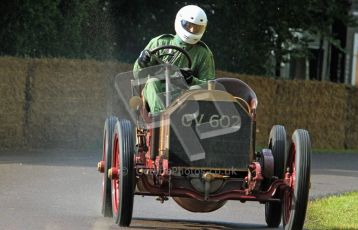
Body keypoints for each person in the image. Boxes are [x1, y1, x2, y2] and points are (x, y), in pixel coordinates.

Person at [133, 5, 215, 114]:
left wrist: (191, 80)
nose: (192, 30)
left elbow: (209, 88)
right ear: (179, 21)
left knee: (194, 90)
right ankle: (161, 118)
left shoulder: (204, 53)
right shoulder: (159, 42)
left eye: (196, 28)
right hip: (157, 91)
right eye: (189, 25)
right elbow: (137, 75)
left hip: (184, 95)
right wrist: (141, 62)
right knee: (153, 81)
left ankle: (185, 121)